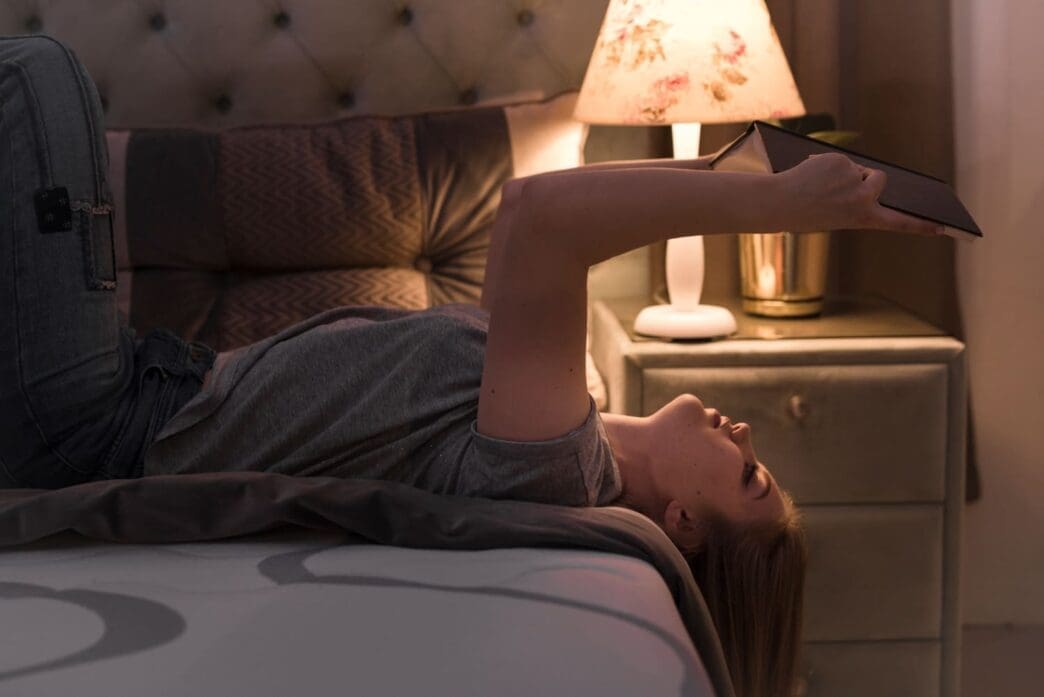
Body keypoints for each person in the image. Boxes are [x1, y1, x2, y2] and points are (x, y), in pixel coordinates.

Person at [1, 36, 940, 697]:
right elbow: (535, 231)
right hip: (131, 382)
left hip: (100, 422)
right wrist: (747, 181)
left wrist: (771, 203)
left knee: (42, 79)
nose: (744, 433)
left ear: (685, 523)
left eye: (749, 471)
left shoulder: (556, 467)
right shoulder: (558, 416)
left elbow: (537, 217)